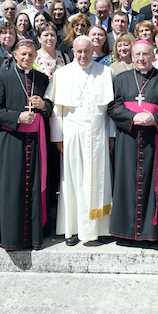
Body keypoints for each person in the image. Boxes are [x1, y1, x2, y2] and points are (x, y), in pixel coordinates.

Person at [108, 40, 158, 249]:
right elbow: (112, 106)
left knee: (153, 185)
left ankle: (152, 234)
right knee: (126, 184)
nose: (141, 58)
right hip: (128, 141)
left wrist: (155, 120)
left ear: (153, 56)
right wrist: (133, 117)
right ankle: (125, 232)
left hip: (154, 142)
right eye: (137, 55)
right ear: (132, 57)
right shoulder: (121, 78)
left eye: (145, 54)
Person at [45, 36, 115, 245]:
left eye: (87, 51)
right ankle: (73, 229)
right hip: (72, 135)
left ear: (93, 50)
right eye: (79, 52)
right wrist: (58, 139)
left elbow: (111, 111)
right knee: (73, 181)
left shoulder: (106, 72)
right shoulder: (62, 74)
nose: (83, 56)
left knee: (99, 180)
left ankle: (100, 229)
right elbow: (57, 112)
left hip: (99, 134)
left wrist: (112, 136)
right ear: (73, 51)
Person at [0, 39, 53, 250]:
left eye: (31, 55)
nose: (26, 58)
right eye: (23, 54)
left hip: (35, 142)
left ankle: (34, 237)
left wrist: (44, 105)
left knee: (34, 188)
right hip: (12, 141)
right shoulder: (3, 78)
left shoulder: (42, 79)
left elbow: (51, 107)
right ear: (15, 55)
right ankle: (12, 238)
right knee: (12, 188)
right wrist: (16, 117)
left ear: (36, 57)